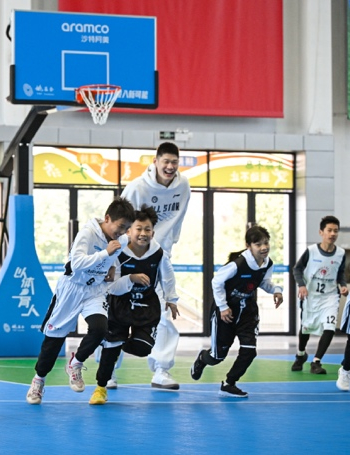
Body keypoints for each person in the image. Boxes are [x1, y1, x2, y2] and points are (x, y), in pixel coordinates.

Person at [26, 197, 135, 405]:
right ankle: (38, 381)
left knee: (100, 329)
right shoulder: (87, 233)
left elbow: (114, 259)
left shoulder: (120, 240)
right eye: (120, 226)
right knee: (54, 339)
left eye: (126, 228)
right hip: (72, 289)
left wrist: (113, 268)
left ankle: (75, 363)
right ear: (107, 218)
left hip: (94, 291)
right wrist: (104, 254)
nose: (122, 232)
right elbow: (76, 263)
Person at [117, 141, 190, 389]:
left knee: (164, 313)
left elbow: (179, 219)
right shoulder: (137, 188)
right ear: (155, 162)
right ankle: (108, 370)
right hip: (128, 256)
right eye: (165, 161)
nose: (170, 167)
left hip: (158, 257)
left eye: (174, 162)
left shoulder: (183, 186)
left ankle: (161, 370)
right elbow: (120, 220)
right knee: (116, 313)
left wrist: (167, 246)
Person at [90, 205, 178, 405]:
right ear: (128, 231)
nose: (143, 233)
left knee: (142, 348)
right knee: (110, 350)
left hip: (146, 307)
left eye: (147, 229)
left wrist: (171, 299)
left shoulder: (158, 253)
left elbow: (168, 276)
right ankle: (100, 388)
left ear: (153, 232)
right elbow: (112, 287)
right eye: (139, 228)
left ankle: (116, 342)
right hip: (119, 305)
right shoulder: (117, 251)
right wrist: (131, 278)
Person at [190, 225, 284, 397]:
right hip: (226, 312)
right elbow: (216, 282)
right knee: (217, 357)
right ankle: (203, 358)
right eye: (258, 244)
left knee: (249, 350)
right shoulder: (237, 264)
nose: (263, 247)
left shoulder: (268, 263)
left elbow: (264, 282)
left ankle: (229, 383)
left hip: (247, 311)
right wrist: (223, 307)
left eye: (266, 243)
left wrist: (276, 290)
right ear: (249, 246)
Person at [291, 215, 348, 374]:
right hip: (311, 296)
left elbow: (340, 273)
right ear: (321, 232)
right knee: (306, 328)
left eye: (335, 231)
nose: (333, 234)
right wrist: (302, 285)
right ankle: (301, 354)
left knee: (330, 327)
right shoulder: (311, 251)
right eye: (329, 230)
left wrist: (343, 285)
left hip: (330, 297)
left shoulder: (340, 253)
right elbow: (297, 269)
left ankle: (316, 361)